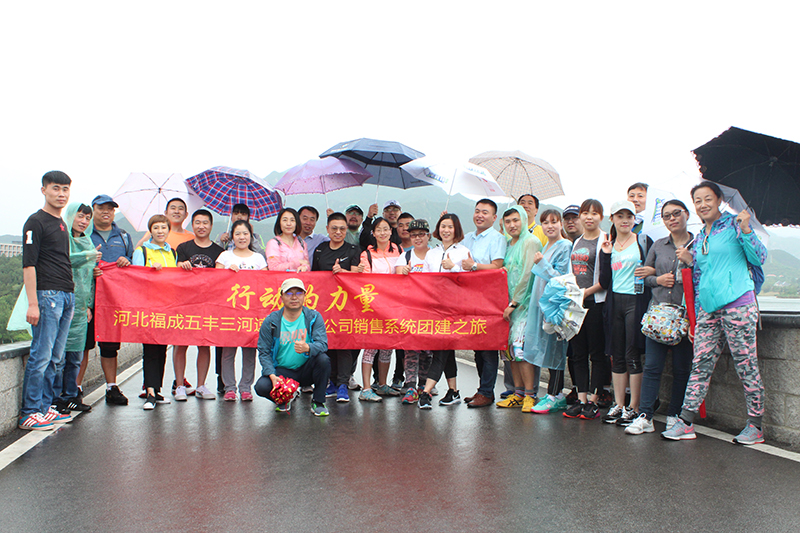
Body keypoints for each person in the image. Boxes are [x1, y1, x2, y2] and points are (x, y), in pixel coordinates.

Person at [662, 181, 768, 445]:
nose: (702, 204)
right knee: (700, 364)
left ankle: (755, 426)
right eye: (697, 200)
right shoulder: (700, 237)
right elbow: (700, 279)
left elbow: (759, 258)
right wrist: (695, 316)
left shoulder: (735, 224)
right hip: (709, 309)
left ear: (719, 200)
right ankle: (686, 421)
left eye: (708, 199)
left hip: (738, 305)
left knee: (746, 365)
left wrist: (746, 230)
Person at [626, 200, 694, 435]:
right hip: (658, 315)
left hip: (685, 317)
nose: (672, 218)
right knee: (653, 367)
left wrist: (690, 261)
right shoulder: (658, 245)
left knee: (681, 369)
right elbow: (643, 277)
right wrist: (658, 279)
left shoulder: (698, 244)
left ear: (686, 215)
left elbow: (706, 276)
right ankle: (645, 416)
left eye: (676, 213)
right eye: (667, 216)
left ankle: (675, 415)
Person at [19, 171, 76, 430]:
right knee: (41, 356)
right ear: (44, 190)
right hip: (47, 295)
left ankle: (44, 407)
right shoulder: (36, 221)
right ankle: (29, 412)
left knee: (55, 357)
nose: (61, 194)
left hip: (66, 294)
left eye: (65, 189)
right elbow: (29, 265)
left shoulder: (61, 223)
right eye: (56, 188)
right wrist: (33, 303)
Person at [599, 201, 653, 426]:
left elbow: (654, 269)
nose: (624, 220)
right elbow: (604, 281)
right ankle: (619, 404)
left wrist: (650, 270)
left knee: (632, 354)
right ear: (612, 219)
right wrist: (605, 255)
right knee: (617, 355)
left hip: (635, 301)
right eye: (619, 216)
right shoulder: (608, 244)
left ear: (634, 219)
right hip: (615, 303)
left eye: (629, 216)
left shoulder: (643, 242)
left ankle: (634, 407)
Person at [254, 278, 331, 417]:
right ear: (281, 297)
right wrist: (271, 375)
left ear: (304, 296)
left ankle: (318, 402)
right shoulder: (271, 321)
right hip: (283, 372)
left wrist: (308, 347)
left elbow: (323, 344)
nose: (294, 297)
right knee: (261, 386)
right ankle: (285, 397)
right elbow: (264, 351)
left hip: (307, 370)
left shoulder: (313, 317)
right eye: (289, 293)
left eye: (299, 293)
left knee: (323, 360)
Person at [563, 200, 610, 420]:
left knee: (597, 354)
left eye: (594, 213)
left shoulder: (605, 240)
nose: (589, 217)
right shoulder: (577, 241)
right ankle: (581, 399)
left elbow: (606, 279)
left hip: (596, 303)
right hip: (576, 304)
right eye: (585, 213)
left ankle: (593, 400)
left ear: (601, 217)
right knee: (578, 353)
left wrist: (586, 293)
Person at [418, 214, 471, 409]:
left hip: (454, 309)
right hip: (434, 308)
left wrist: (454, 267)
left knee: (441, 349)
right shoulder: (432, 253)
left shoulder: (464, 252)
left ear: (456, 229)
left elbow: (471, 280)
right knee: (446, 349)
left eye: (450, 226)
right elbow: (424, 280)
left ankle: (425, 392)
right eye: (443, 226)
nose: (446, 230)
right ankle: (453, 391)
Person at [523, 209, 574, 414]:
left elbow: (561, 278)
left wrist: (542, 263)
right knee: (548, 348)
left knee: (556, 351)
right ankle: (554, 393)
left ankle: (555, 395)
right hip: (542, 305)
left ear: (561, 224)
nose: (550, 226)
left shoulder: (565, 246)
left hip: (555, 306)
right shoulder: (546, 246)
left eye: (554, 222)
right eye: (545, 222)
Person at [87, 194, 134, 405]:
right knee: (83, 345)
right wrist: (90, 269)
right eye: (101, 208)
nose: (106, 211)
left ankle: (111, 387)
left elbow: (133, 263)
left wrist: (127, 260)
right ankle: (75, 389)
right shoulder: (84, 234)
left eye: (110, 208)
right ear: (93, 210)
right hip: (88, 300)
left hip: (113, 301)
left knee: (109, 346)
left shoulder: (123, 236)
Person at [52, 203, 99, 414]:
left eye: (88, 218)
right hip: (62, 303)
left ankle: (71, 395)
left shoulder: (87, 241)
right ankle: (56, 399)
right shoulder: (63, 238)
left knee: (75, 357)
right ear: (71, 216)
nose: (84, 221)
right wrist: (89, 256)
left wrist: (89, 304)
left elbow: (89, 277)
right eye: (80, 216)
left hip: (80, 307)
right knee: (59, 357)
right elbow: (64, 260)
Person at [311, 212, 363, 403]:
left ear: (346, 229)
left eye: (342, 228)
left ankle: (343, 384)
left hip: (346, 305)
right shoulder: (320, 250)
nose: (338, 232)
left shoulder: (353, 250)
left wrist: (344, 272)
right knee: (328, 344)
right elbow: (313, 277)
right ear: (327, 229)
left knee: (345, 345)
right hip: (325, 305)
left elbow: (359, 277)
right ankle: (331, 382)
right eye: (334, 228)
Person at [173, 209, 225, 401]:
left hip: (208, 305)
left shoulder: (219, 252)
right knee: (181, 344)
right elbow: (174, 272)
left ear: (211, 226)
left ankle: (201, 385)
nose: (201, 226)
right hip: (185, 303)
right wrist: (181, 266)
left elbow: (222, 279)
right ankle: (179, 386)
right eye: (197, 222)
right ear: (192, 224)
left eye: (205, 223)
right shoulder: (183, 248)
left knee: (204, 344)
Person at [462, 199, 507, 408]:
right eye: (477, 211)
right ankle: (483, 390)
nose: (480, 215)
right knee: (477, 347)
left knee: (488, 347)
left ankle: (487, 392)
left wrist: (474, 266)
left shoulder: (497, 238)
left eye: (485, 212)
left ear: (494, 217)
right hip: (469, 299)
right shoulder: (467, 238)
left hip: (489, 299)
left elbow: (497, 266)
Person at [217, 220, 268, 402]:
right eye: (237, 233)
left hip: (252, 312)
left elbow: (266, 283)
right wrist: (226, 272)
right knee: (228, 352)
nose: (242, 237)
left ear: (251, 236)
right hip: (229, 312)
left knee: (249, 351)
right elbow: (215, 282)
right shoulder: (224, 256)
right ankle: (229, 387)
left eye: (245, 233)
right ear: (232, 236)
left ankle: (246, 387)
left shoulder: (258, 258)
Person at [495, 206, 540, 412]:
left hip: (524, 305)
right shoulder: (508, 244)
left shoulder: (530, 241)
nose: (512, 225)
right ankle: (518, 393)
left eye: (516, 220)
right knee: (509, 352)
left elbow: (527, 274)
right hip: (507, 306)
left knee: (521, 351)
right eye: (508, 222)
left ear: (523, 219)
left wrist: (515, 303)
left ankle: (530, 395)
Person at [132, 214, 177, 410]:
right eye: (156, 227)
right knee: (150, 349)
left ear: (168, 230)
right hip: (148, 307)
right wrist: (149, 270)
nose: (160, 231)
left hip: (167, 307)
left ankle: (157, 390)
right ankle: (149, 392)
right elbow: (134, 277)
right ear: (150, 230)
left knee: (161, 349)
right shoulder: (142, 251)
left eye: (163, 227)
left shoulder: (172, 253)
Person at [357, 217, 402, 401]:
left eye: (386, 229)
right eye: (379, 230)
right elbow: (366, 281)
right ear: (373, 233)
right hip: (374, 307)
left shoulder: (399, 250)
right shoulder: (366, 254)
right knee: (371, 348)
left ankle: (382, 385)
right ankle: (366, 388)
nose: (383, 233)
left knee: (387, 348)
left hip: (394, 307)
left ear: (391, 231)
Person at [395, 219, 434, 404]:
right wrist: (402, 272)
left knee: (428, 351)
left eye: (421, 234)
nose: (417, 238)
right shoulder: (405, 256)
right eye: (413, 235)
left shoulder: (435, 255)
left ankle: (423, 386)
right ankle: (410, 385)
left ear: (428, 235)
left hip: (431, 310)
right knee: (410, 349)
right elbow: (395, 277)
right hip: (410, 310)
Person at [266, 207, 309, 272]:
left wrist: (305, 267)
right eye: (285, 220)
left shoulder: (301, 243)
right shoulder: (274, 243)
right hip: (281, 278)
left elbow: (307, 264)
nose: (288, 224)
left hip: (299, 278)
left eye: (292, 220)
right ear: (279, 223)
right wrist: (297, 262)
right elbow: (273, 268)